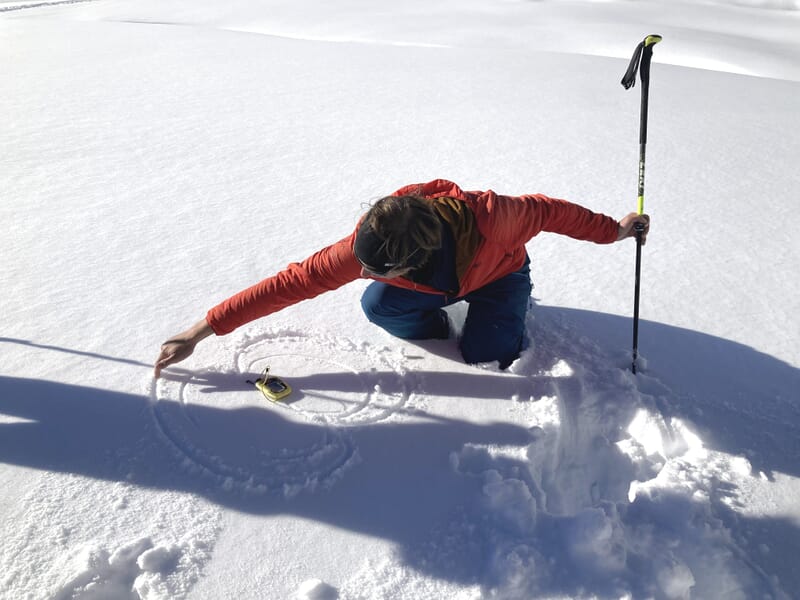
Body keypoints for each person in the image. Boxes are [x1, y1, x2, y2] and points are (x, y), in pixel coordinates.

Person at [154, 179, 649, 377]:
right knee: (377, 305)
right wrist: (200, 330)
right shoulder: (368, 246)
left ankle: (508, 316)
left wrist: (615, 232)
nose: (362, 271)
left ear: (412, 261)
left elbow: (553, 212)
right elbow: (292, 284)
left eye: (376, 270)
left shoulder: (497, 218)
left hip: (499, 276)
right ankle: (437, 324)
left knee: (489, 355)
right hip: (439, 285)